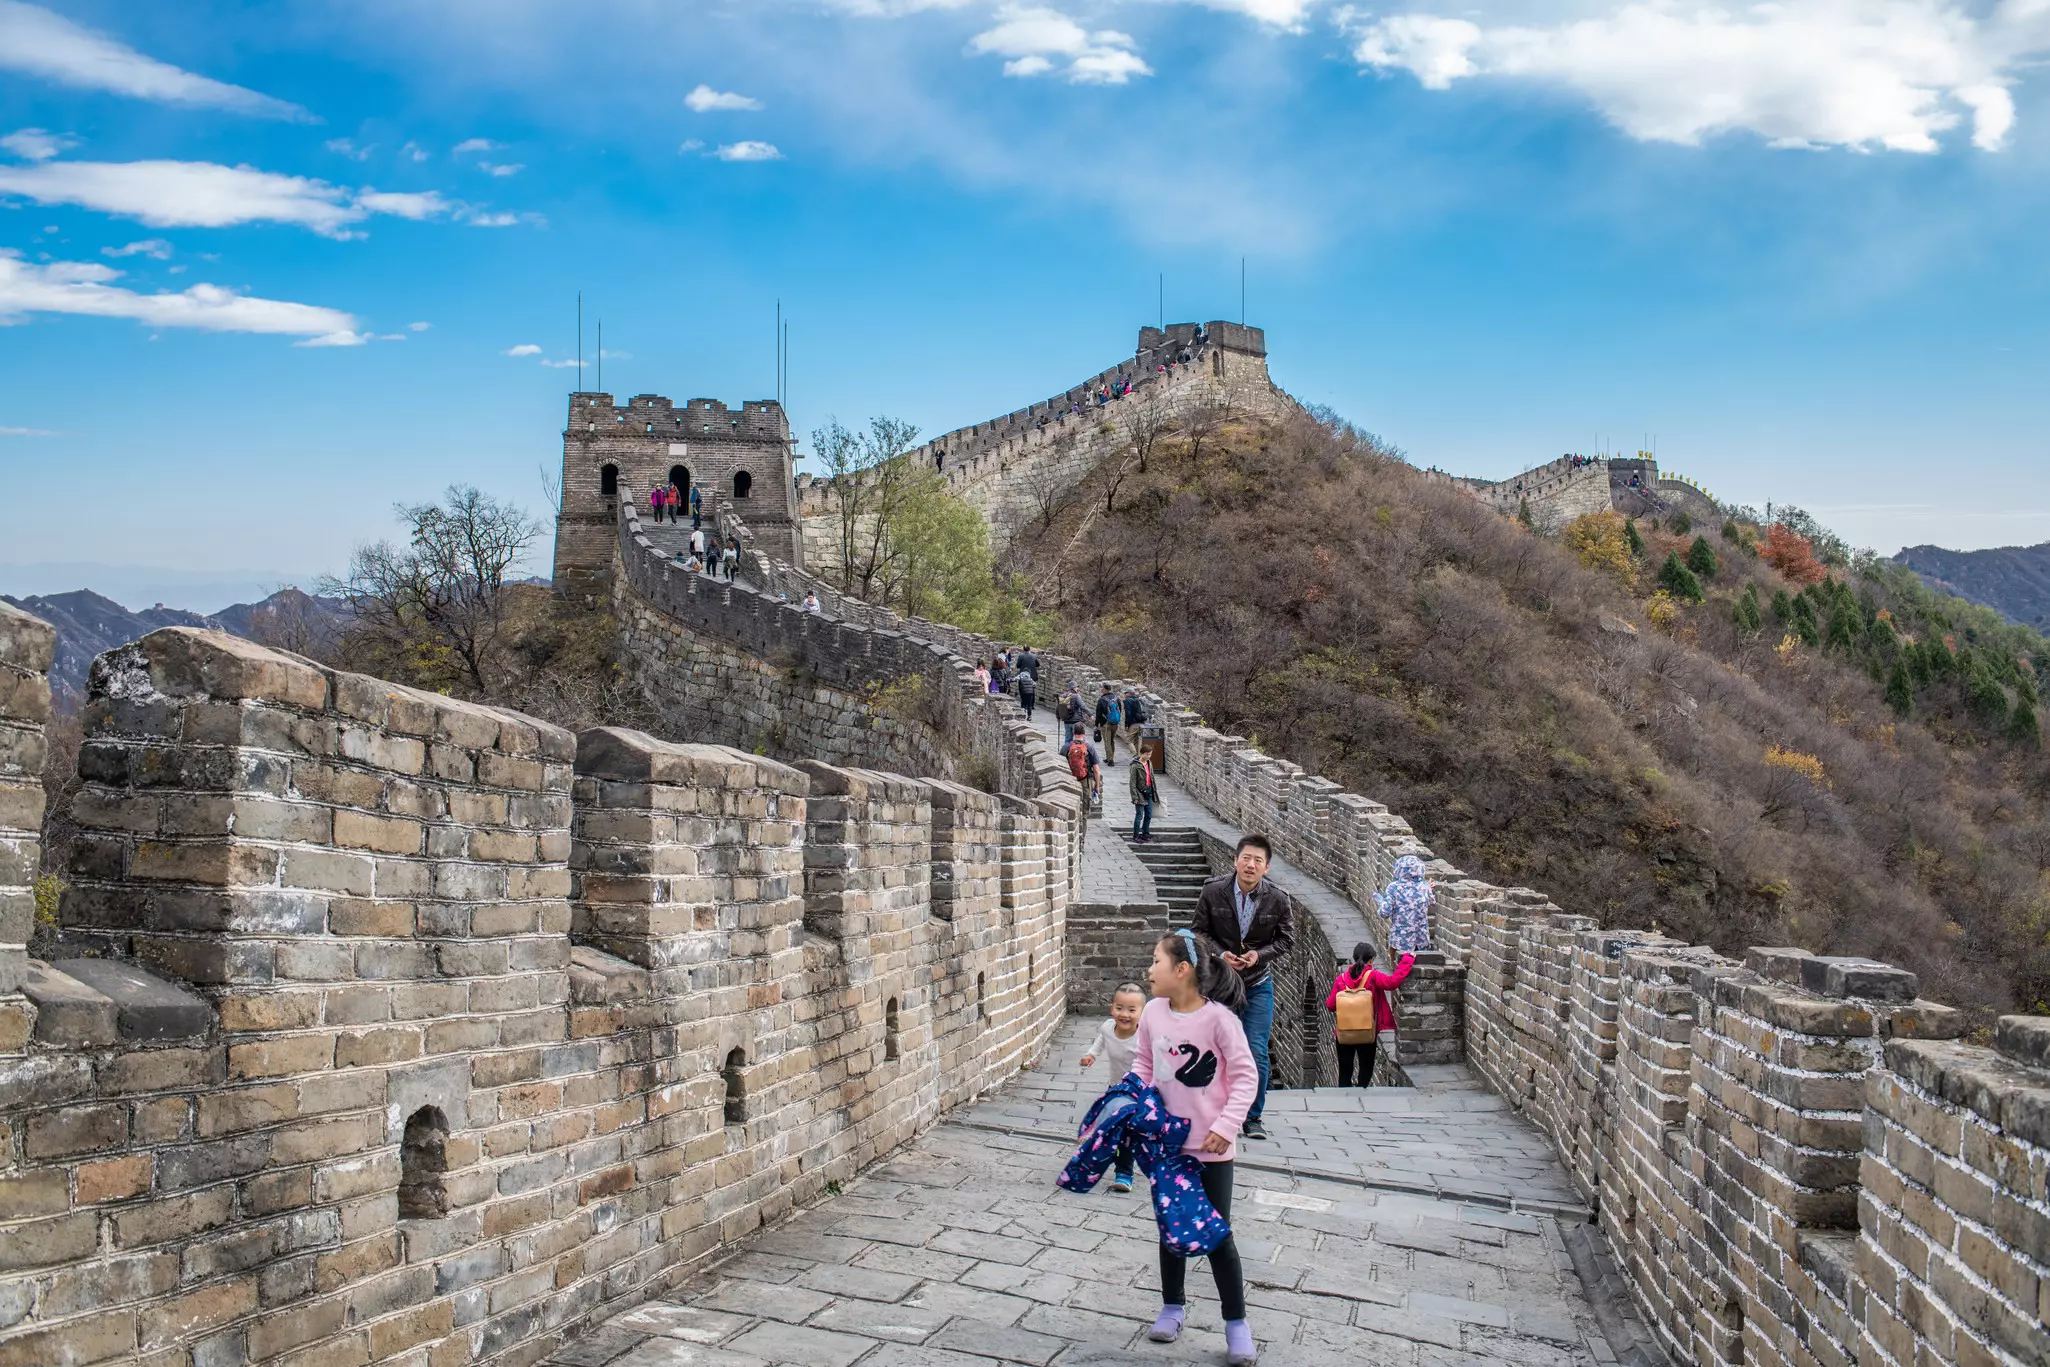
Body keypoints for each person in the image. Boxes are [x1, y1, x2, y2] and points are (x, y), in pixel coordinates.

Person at [1132, 930, 1260, 1364]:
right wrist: (1133, 1101)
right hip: (1168, 1144)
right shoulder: (1151, 1013)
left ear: (1182, 970)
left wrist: (1228, 1125)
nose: (1149, 970)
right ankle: (1172, 1306)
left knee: (1217, 1237)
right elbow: (1145, 1064)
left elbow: (1246, 1077)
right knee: (1171, 1231)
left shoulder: (1219, 1019)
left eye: (1156, 961)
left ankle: (1237, 1324)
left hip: (1210, 1147)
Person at [1189, 835, 1293, 1140]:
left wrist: (1258, 955)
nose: (1251, 865)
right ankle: (1213, 1108)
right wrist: (1221, 954)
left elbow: (1286, 940)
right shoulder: (1213, 891)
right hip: (1220, 984)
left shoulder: (1278, 898)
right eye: (1246, 858)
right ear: (1236, 860)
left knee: (1255, 1049)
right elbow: (1198, 931)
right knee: (1214, 1047)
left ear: (1266, 867)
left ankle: (1252, 1116)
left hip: (1258, 982)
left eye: (1258, 860)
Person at [1079, 982, 1147, 1192]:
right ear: (1112, 1008)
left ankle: (1125, 1173)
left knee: (1127, 1132)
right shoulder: (1108, 1027)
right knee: (1115, 1127)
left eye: (1132, 1010)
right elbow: (1102, 1039)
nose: (1124, 1014)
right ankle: (1099, 1148)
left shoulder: (1144, 1036)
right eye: (1119, 1008)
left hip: (1139, 1092)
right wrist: (1091, 1055)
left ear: (1142, 1013)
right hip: (1115, 1087)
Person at [1325, 942, 1415, 1087]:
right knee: (1366, 1069)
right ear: (1371, 960)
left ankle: (1345, 1099)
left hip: (1344, 1034)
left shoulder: (1341, 979)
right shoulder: (1372, 976)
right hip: (1366, 1032)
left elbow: (1330, 1005)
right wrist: (1407, 960)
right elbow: (1392, 983)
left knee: (1345, 1072)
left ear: (1354, 958)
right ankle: (1361, 1096)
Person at [1375, 855, 1435, 953]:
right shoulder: (1424, 886)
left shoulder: (1393, 887)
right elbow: (1432, 903)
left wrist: (1381, 902)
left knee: (1400, 968)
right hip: (1421, 941)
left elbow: (1384, 913)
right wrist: (1427, 889)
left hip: (1400, 942)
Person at [1129, 752, 1159, 841]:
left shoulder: (1149, 763)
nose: (1149, 756)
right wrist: (1134, 797)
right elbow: (1132, 782)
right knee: (1139, 815)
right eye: (1147, 754)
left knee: (1148, 814)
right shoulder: (1135, 766)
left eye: (1150, 754)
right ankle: (1136, 835)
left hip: (1149, 792)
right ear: (1142, 753)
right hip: (1139, 793)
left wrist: (1154, 792)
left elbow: (1152, 777)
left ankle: (1145, 833)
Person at [1095, 685, 1123, 763]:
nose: (1101, 689)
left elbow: (1098, 713)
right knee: (1112, 741)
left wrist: (1096, 724)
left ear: (1106, 690)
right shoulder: (1116, 698)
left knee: (1107, 741)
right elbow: (1119, 710)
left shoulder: (1101, 700)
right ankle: (1109, 757)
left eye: (1102, 688)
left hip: (1106, 723)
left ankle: (1110, 759)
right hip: (1115, 723)